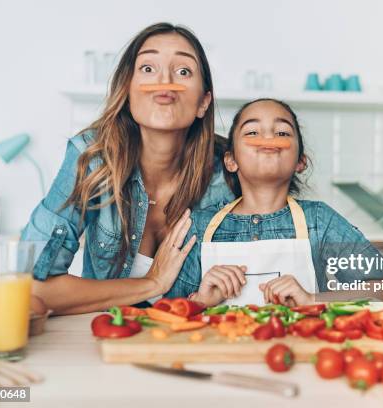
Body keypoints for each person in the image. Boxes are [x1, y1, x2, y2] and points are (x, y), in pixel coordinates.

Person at [21, 23, 233, 315]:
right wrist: (152, 282)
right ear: (127, 91)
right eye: (148, 68)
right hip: (106, 339)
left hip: (197, 341)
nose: (165, 83)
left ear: (203, 103)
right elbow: (30, 285)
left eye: (183, 71)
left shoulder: (230, 171)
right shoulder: (91, 157)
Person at [177, 98, 383, 307]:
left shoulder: (321, 221)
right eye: (253, 132)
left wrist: (312, 299)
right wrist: (199, 302)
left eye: (282, 132)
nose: (267, 139)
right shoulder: (199, 225)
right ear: (231, 160)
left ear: (300, 162)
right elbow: (167, 311)